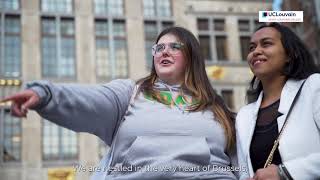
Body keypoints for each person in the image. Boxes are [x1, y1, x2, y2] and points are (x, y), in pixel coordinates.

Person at [1, 27, 239, 179]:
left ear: (192, 56)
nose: (164, 52)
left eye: (174, 46)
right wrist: (45, 95)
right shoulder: (130, 93)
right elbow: (88, 100)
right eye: (159, 47)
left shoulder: (217, 107)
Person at [236, 22, 320, 180]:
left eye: (266, 44)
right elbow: (243, 171)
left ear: (289, 54)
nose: (256, 51)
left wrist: (285, 173)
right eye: (251, 48)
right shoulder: (244, 116)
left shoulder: (313, 87)